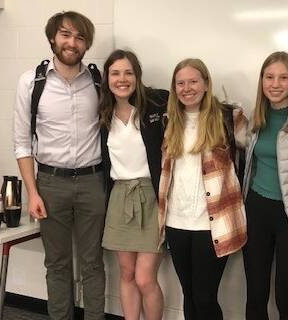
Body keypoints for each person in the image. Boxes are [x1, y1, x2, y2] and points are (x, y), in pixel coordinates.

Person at [13, 11, 106, 320]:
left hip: (94, 183)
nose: (72, 42)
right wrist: (33, 193)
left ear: (87, 44)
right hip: (50, 184)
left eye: (80, 37)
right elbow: (22, 144)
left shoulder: (97, 81)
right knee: (57, 264)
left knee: (93, 263)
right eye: (66, 34)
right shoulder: (31, 82)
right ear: (53, 37)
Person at [158, 58, 247, 320]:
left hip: (213, 225)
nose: (187, 88)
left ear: (206, 84)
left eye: (193, 81)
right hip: (176, 223)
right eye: (180, 83)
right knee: (189, 294)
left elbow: (259, 147)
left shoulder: (229, 118)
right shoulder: (167, 121)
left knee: (205, 297)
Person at [242, 51, 288, 320]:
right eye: (269, 77)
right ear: (261, 81)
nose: (275, 84)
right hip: (257, 209)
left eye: (283, 78)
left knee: (287, 296)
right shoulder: (256, 116)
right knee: (255, 294)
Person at [99, 49, 168, 320]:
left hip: (152, 197)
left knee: (144, 278)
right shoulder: (103, 114)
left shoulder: (157, 102)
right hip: (119, 197)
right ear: (107, 78)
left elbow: (194, 100)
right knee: (126, 274)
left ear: (137, 76)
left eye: (128, 72)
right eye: (115, 73)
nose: (122, 79)